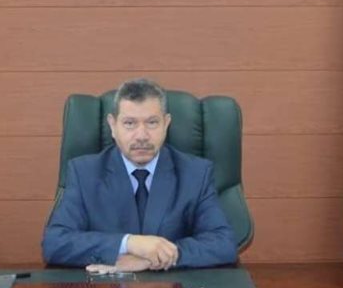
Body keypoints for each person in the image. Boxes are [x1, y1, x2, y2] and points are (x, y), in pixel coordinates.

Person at [42, 78, 238, 272]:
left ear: (166, 124)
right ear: (112, 125)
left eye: (152, 123)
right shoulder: (84, 173)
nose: (142, 136)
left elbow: (224, 243)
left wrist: (155, 258)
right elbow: (54, 243)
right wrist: (129, 243)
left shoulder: (195, 173)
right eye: (129, 123)